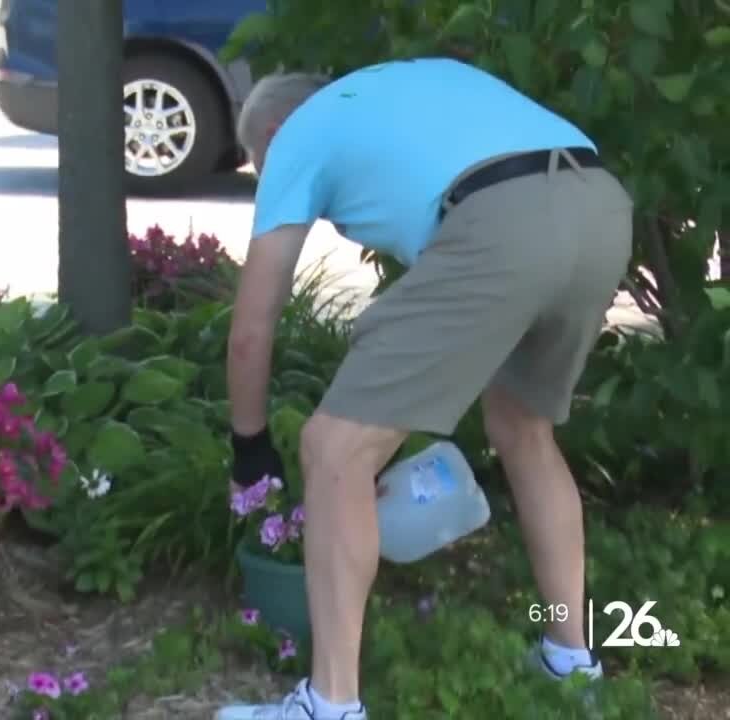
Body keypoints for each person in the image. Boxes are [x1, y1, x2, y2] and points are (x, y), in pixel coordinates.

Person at [216, 57, 633, 720]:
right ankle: (570, 658)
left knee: (332, 449)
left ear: (271, 128)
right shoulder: (407, 86)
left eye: (260, 162)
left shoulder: (297, 132)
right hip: (600, 205)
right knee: (524, 430)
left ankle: (329, 705)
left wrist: (250, 445)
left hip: (500, 223)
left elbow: (251, 327)